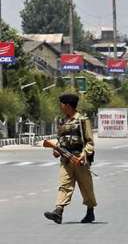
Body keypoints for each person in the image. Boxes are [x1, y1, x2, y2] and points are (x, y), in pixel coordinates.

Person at [44, 93, 97, 224]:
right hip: (66, 160)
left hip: (80, 160)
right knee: (64, 186)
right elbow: (60, 141)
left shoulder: (82, 120)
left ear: (67, 105)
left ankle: (90, 211)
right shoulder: (62, 121)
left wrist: (84, 155)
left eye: (61, 104)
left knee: (86, 187)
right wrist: (56, 150)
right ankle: (58, 212)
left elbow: (90, 142)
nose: (60, 107)